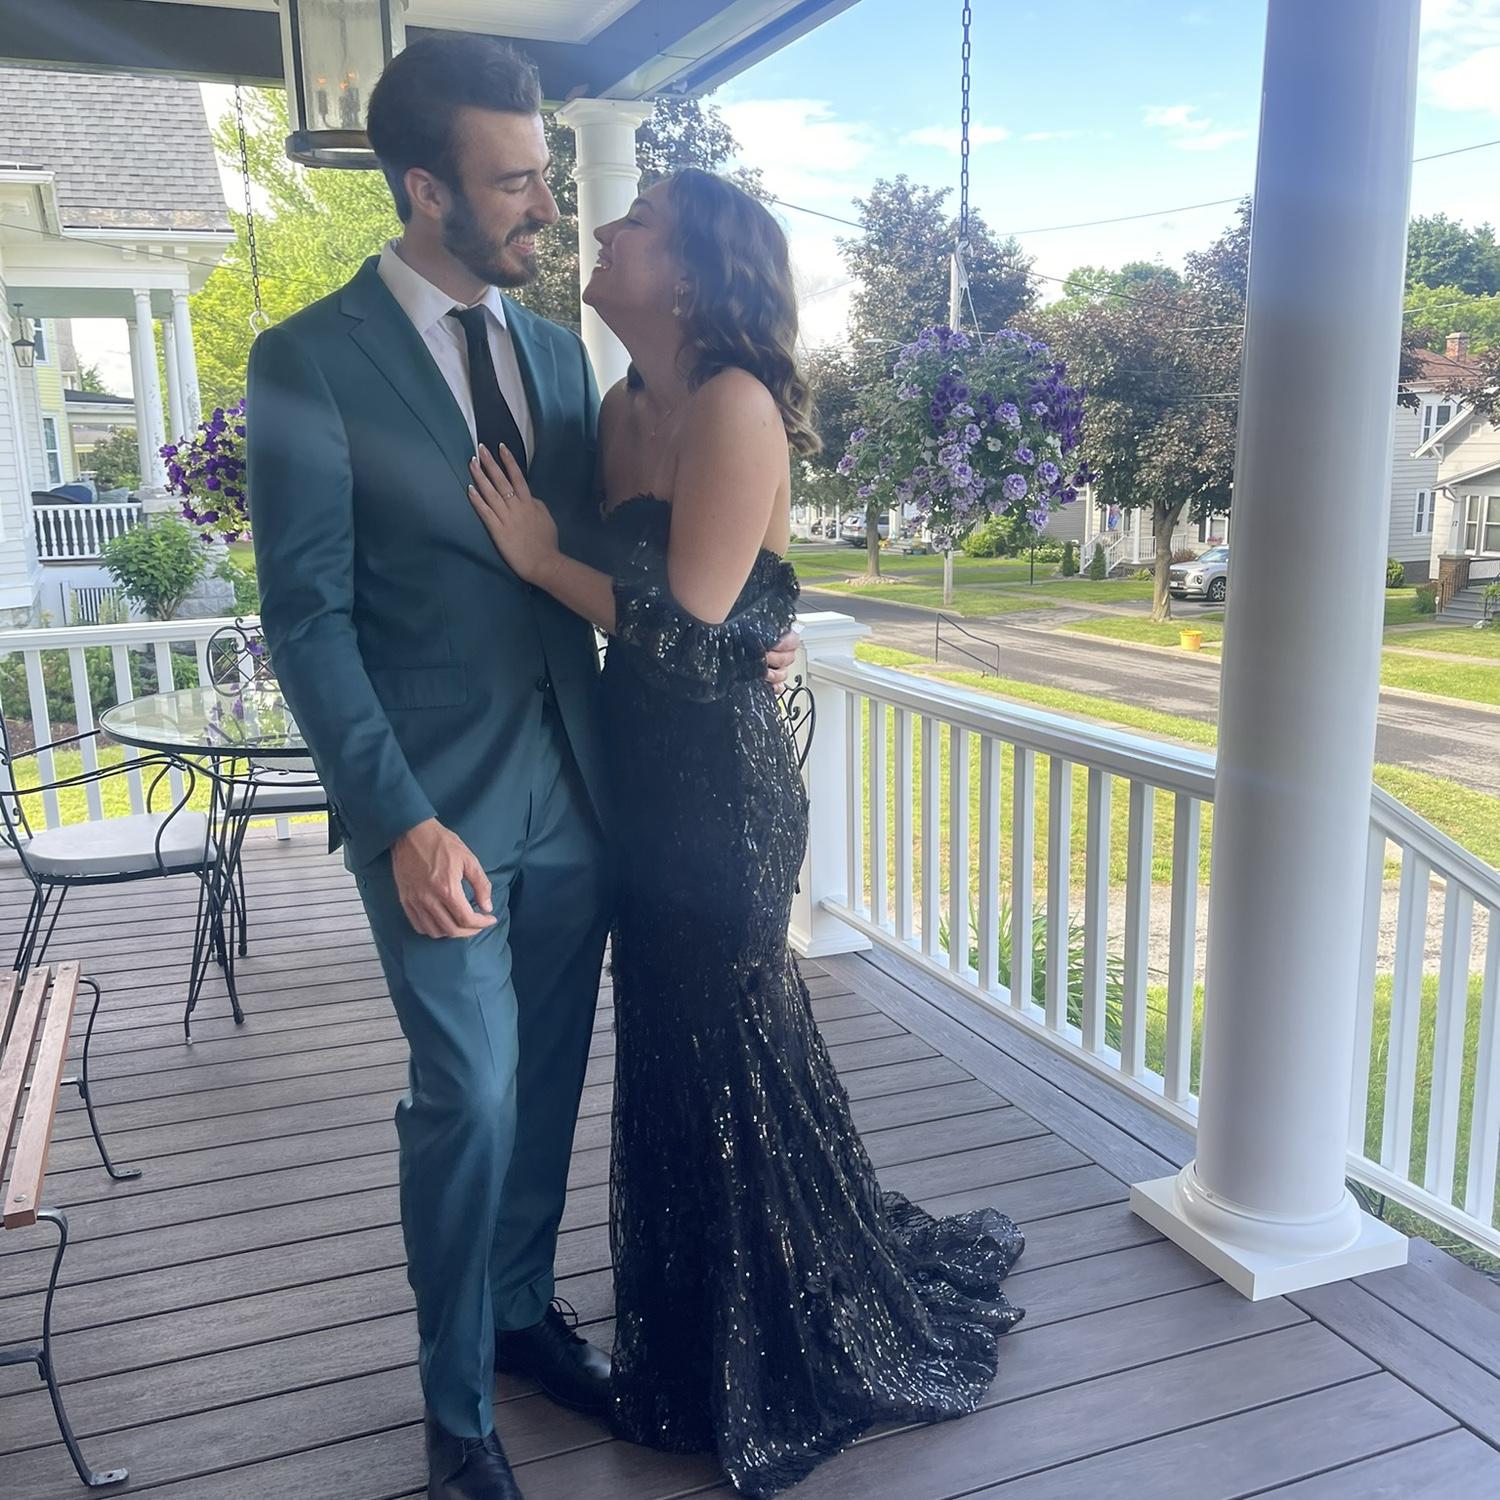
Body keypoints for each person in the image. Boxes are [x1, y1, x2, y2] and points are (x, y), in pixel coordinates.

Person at [246, 39, 795, 1500]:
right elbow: (306, 618)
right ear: (426, 190)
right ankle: (455, 1407)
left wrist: (756, 630)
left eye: (549, 177)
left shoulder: (561, 360)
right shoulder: (308, 359)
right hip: (433, 814)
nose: (550, 208)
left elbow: (648, 564)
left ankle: (520, 1313)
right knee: (472, 1095)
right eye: (514, 183)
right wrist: (395, 820)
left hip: (587, 794)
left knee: (547, 1084)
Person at [466, 168, 1026, 1500]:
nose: (604, 229)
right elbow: (715, 595)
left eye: (639, 222)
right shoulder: (617, 405)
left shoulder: (734, 403)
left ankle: (779, 1322)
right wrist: (746, 615)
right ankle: (698, 1315)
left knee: (729, 1047)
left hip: (721, 793)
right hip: (633, 778)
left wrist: (544, 559)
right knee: (670, 1050)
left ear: (694, 272)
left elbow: (688, 618)